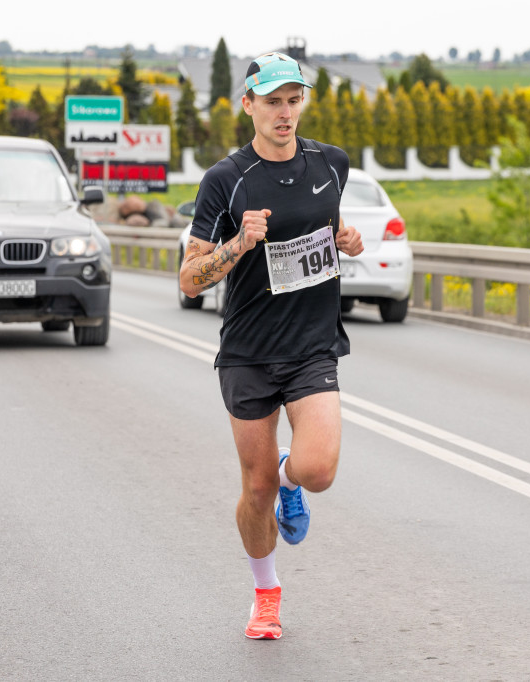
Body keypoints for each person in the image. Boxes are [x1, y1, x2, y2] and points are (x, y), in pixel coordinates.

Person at [179, 51, 364, 640]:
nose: (285, 114)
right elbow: (189, 278)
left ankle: (292, 485)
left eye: (293, 101)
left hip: (312, 345)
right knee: (254, 488)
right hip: (249, 351)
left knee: (317, 469)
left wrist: (347, 240)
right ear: (249, 105)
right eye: (273, 102)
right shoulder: (225, 180)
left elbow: (324, 232)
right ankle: (265, 592)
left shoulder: (331, 164)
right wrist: (238, 245)